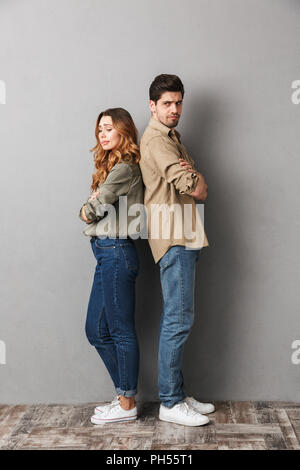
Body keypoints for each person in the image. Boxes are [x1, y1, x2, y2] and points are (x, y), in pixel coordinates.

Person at [139, 74, 215, 426]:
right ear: (152, 105)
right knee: (178, 319)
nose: (175, 109)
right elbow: (196, 189)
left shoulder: (171, 138)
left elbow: (192, 183)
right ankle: (169, 402)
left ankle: (177, 394)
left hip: (184, 232)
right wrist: (196, 177)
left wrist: (194, 176)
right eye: (167, 103)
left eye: (179, 102)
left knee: (179, 317)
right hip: (174, 235)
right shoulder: (157, 141)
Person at [78, 108, 144, 424]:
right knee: (96, 329)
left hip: (117, 251)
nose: (103, 134)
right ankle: (124, 395)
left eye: (109, 128)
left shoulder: (126, 168)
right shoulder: (115, 168)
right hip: (107, 254)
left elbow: (92, 210)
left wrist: (86, 207)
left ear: (123, 131)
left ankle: (127, 404)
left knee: (119, 330)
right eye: (99, 129)